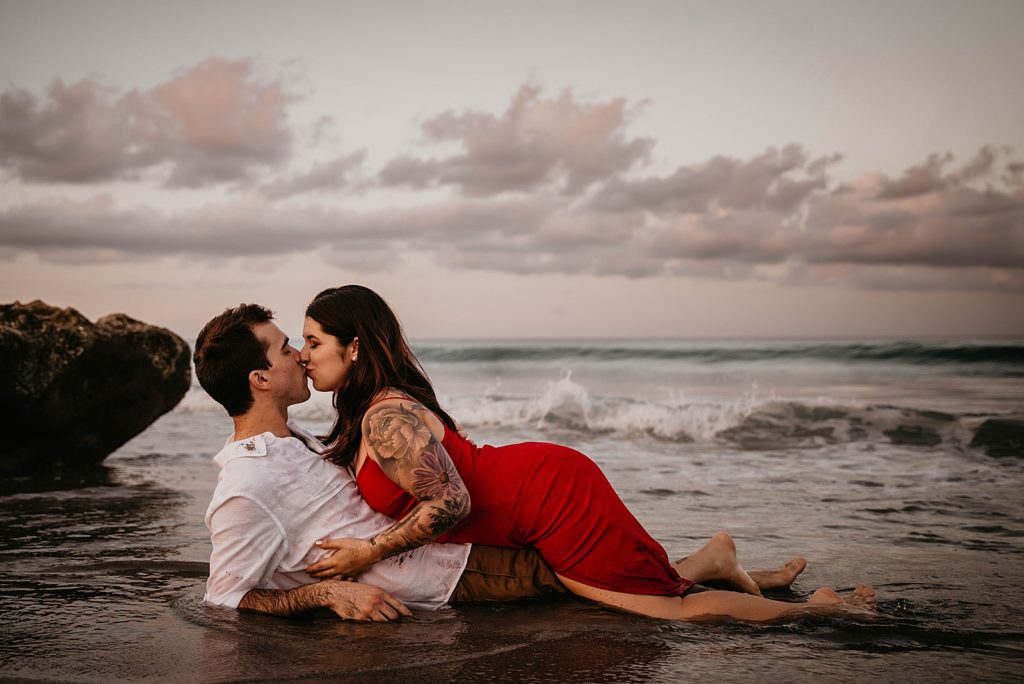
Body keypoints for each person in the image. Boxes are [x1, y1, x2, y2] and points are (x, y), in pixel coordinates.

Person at [193, 304, 835, 622]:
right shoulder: (253, 478)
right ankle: (716, 559)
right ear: (260, 378)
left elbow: (449, 501)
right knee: (589, 585)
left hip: (532, 502)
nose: (302, 357)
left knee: (668, 610)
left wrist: (361, 561)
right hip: (507, 518)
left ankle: (819, 614)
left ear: (354, 350)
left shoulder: (363, 420)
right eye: (290, 347)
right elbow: (225, 595)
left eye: (309, 342)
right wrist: (326, 591)